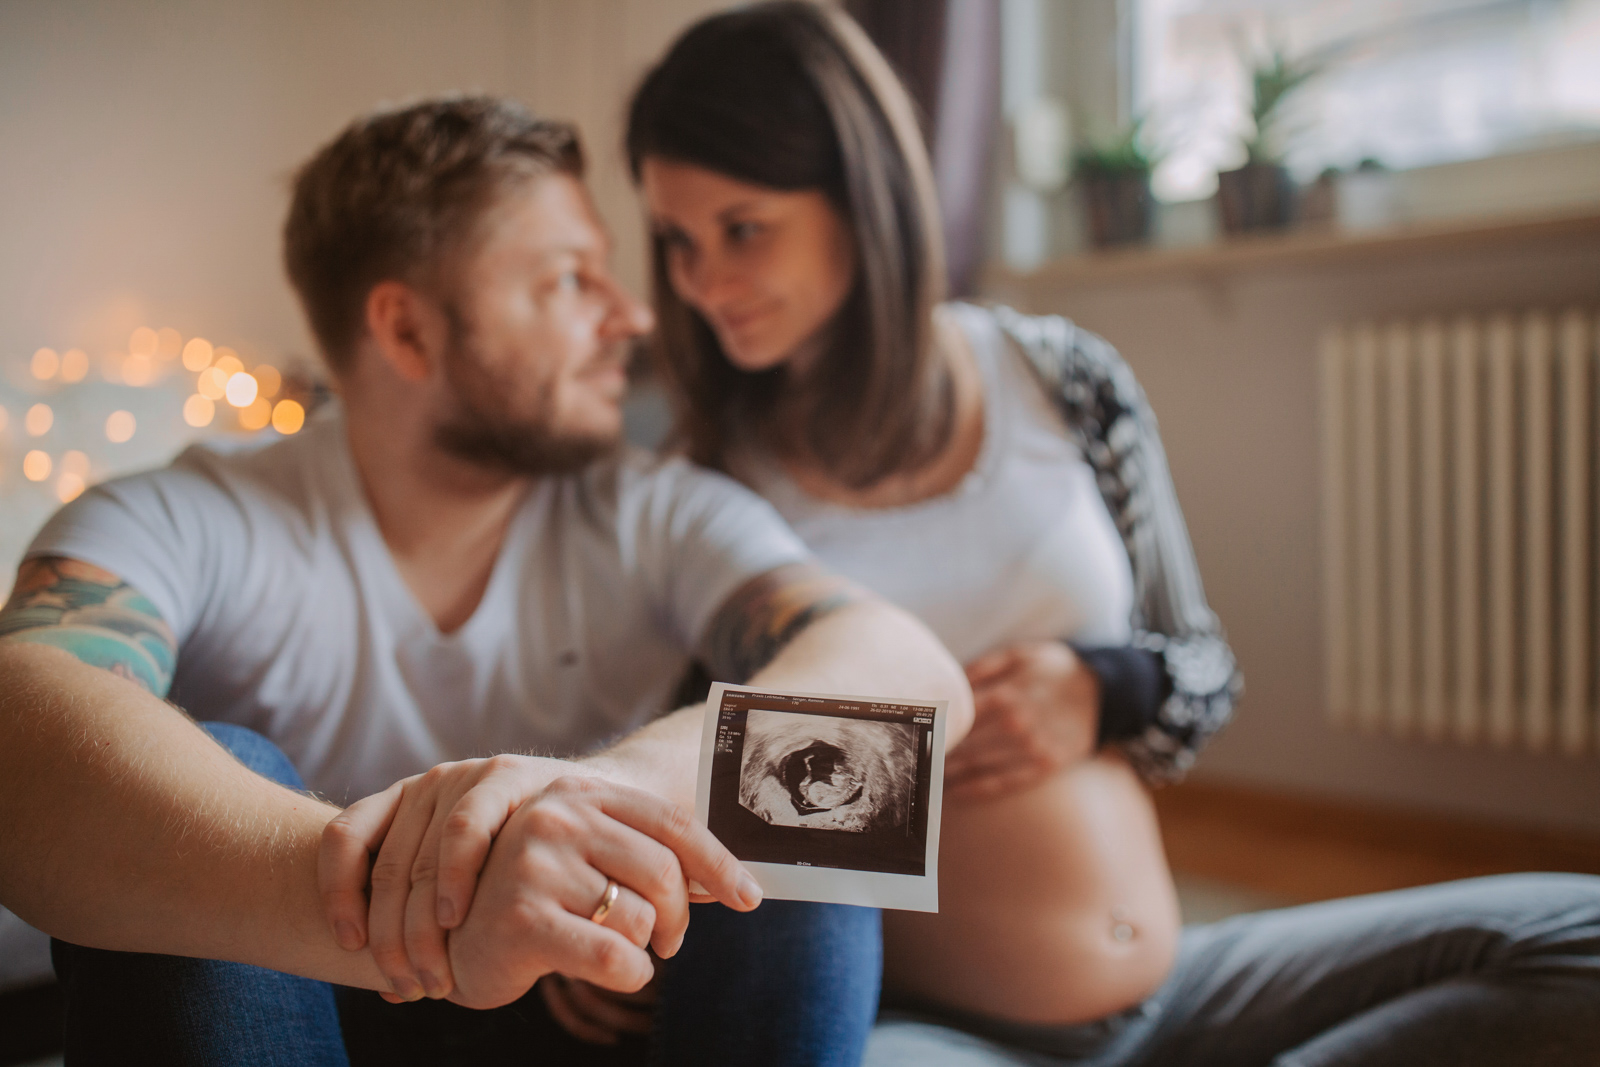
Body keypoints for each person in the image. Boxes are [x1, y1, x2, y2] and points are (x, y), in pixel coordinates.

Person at [607, 3, 1600, 1064]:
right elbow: (708, 790)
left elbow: (1202, 670)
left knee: (1577, 939)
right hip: (937, 1030)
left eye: (743, 228)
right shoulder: (708, 487)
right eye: (676, 241)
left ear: (863, 200)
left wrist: (1099, 690)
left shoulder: (1062, 378)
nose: (702, 282)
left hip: (1183, 987)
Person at [0, 95, 972, 1066]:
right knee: (218, 760)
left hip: (592, 1012)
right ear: (408, 331)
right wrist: (422, 909)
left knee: (805, 814)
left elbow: (912, 677)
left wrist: (598, 798)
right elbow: (20, 722)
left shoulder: (654, 508)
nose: (631, 314)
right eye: (568, 280)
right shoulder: (184, 513)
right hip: (307, 1000)